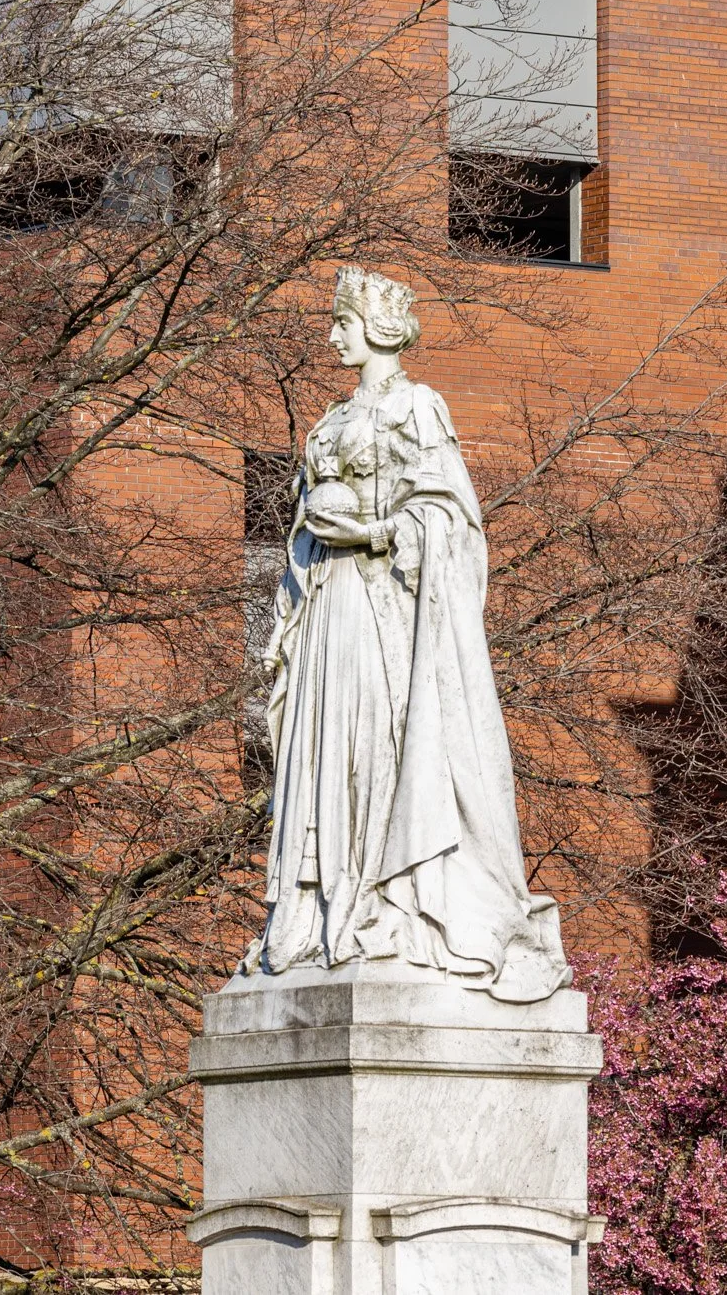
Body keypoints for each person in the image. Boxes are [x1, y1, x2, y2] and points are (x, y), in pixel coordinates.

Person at [242, 266, 569, 1002]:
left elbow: (448, 517)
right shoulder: (327, 421)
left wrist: (371, 528)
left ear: (375, 329)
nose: (331, 336)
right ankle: (318, 912)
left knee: (378, 742)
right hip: (327, 601)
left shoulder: (416, 407)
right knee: (322, 744)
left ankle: (384, 901)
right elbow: (302, 518)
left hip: (379, 602)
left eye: (341, 323)